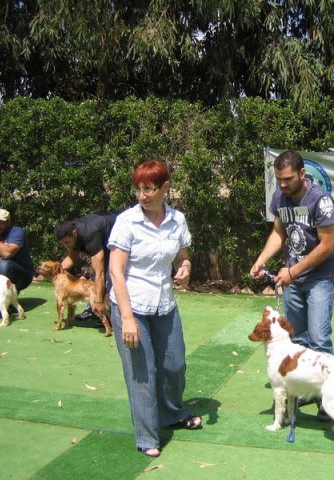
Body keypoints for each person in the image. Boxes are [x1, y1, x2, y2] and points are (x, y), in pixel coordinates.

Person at [108, 159, 201, 458]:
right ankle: (147, 435)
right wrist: (127, 318)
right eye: (139, 189)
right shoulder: (127, 222)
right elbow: (115, 272)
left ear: (165, 188)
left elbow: (182, 255)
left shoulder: (178, 220)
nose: (142, 195)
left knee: (175, 366)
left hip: (165, 305)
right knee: (143, 373)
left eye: (149, 189)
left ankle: (172, 413)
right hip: (131, 306)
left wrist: (184, 267)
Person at [249, 150, 334, 419]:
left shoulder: (320, 201)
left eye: (288, 179)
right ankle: (302, 389)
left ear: (302, 174)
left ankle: (326, 398)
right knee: (297, 339)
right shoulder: (280, 197)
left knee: (319, 339)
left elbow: (327, 245)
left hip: (319, 277)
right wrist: (261, 260)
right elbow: (278, 233)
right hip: (292, 278)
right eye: (279, 179)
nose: (283, 185)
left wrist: (293, 271)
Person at [53, 212, 119, 322]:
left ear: (74, 233)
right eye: (63, 244)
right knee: (96, 279)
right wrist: (55, 271)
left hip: (119, 237)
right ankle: (93, 311)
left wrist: (98, 301)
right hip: (103, 240)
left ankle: (113, 314)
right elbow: (72, 258)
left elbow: (100, 272)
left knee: (111, 276)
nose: (66, 245)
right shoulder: (70, 234)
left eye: (67, 242)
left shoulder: (90, 234)